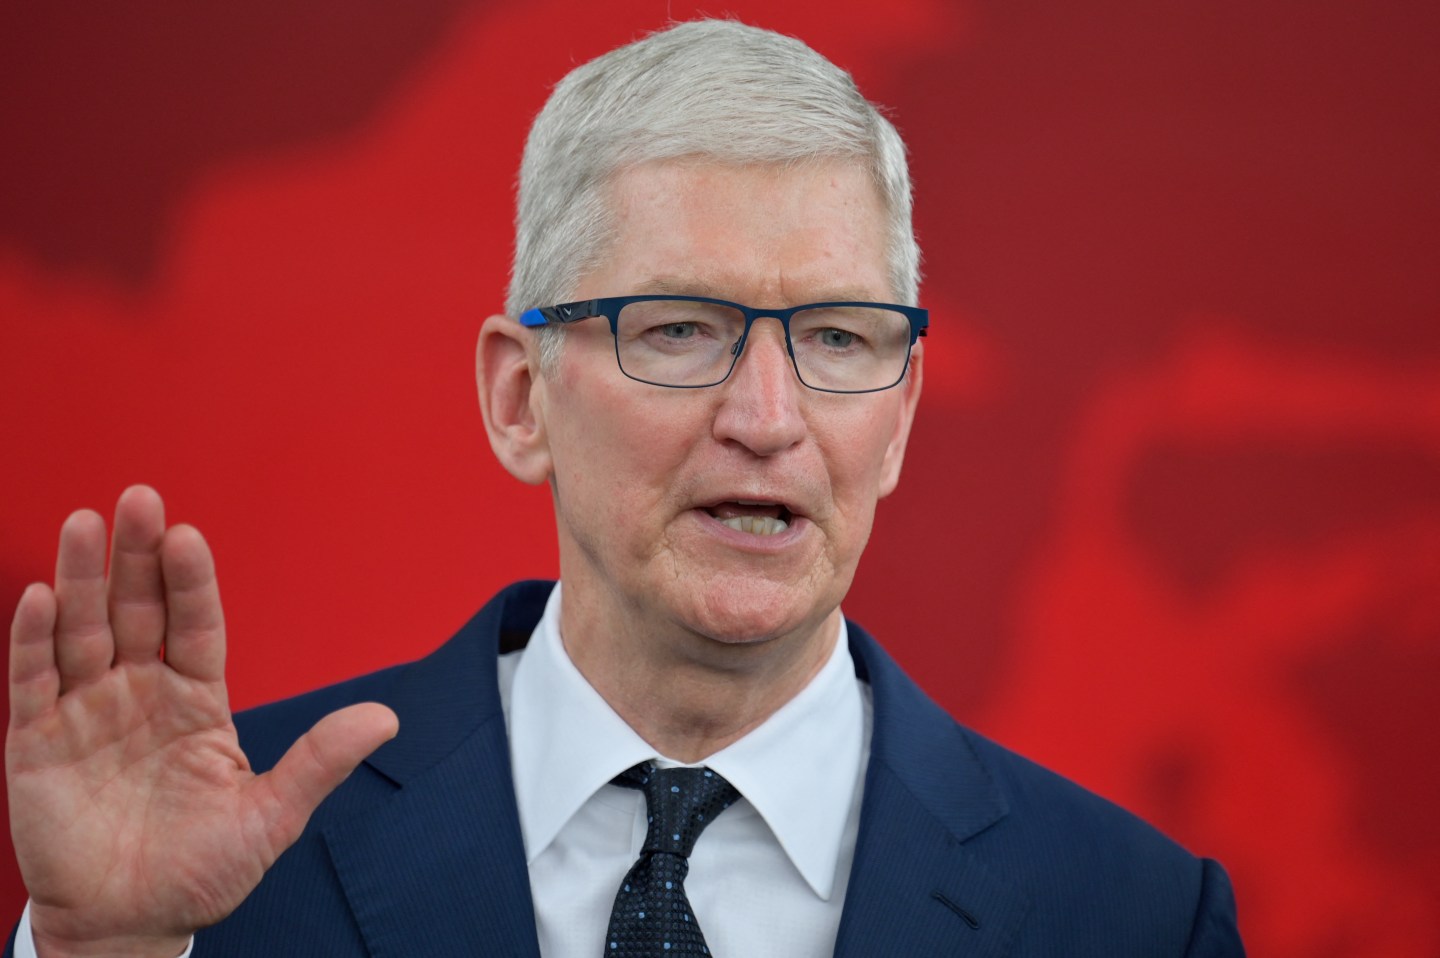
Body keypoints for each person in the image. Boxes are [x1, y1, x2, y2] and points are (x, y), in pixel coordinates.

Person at [4, 19, 1244, 958]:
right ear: (519, 396)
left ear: (903, 414)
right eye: (679, 330)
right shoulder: (223, 861)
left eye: (840, 339)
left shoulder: (1132, 915)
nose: (767, 419)